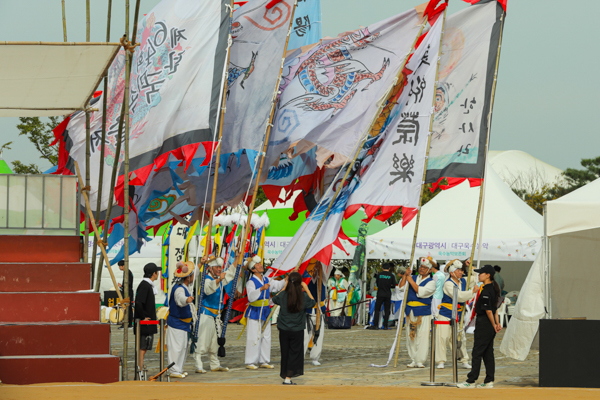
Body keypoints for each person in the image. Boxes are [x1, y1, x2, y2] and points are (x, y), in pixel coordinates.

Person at [458, 265, 502, 389]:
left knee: (477, 352)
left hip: (485, 323)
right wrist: (497, 323)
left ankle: (471, 380)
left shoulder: (487, 290)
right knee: (488, 353)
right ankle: (489, 380)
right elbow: (495, 309)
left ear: (488, 275)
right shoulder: (493, 288)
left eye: (481, 273)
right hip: (489, 323)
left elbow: (489, 310)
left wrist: (494, 325)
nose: (479, 275)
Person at [194, 255, 237, 374]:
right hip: (205, 313)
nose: (219, 269)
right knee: (202, 340)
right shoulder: (206, 278)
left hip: (216, 315)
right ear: (210, 268)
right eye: (217, 267)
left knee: (214, 342)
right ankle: (198, 364)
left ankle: (215, 364)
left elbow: (229, 273)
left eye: (220, 267)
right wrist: (219, 280)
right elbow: (208, 289)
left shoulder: (219, 278)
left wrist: (238, 258)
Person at [273, 272, 316, 385]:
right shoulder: (304, 296)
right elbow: (313, 302)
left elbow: (275, 298)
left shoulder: (283, 295)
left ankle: (286, 376)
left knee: (285, 352)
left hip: (284, 328)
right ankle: (288, 377)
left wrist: (285, 286)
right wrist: (306, 288)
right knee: (294, 353)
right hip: (297, 329)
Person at [243, 255, 286, 370]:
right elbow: (251, 297)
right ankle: (251, 361)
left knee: (266, 336)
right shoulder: (251, 282)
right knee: (253, 336)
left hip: (266, 310)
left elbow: (277, 286)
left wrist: (285, 280)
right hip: (255, 310)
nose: (261, 265)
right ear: (253, 269)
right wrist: (261, 289)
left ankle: (264, 360)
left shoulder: (267, 279)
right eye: (257, 264)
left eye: (260, 264)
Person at [435, 259, 478, 370]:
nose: (461, 272)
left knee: (460, 338)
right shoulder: (448, 283)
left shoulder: (464, 281)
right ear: (452, 272)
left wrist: (470, 267)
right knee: (442, 337)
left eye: (461, 270)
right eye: (458, 270)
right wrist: (472, 292)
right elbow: (458, 296)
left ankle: (464, 360)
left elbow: (477, 277)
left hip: (458, 313)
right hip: (445, 313)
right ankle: (441, 361)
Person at [400, 257, 435, 368]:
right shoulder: (412, 277)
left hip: (423, 311)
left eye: (425, 268)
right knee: (411, 336)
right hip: (410, 310)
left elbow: (421, 292)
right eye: (421, 266)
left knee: (423, 335)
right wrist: (406, 276)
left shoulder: (432, 282)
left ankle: (420, 360)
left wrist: (410, 281)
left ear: (429, 270)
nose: (422, 269)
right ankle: (413, 358)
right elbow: (401, 288)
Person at [167, 261, 195, 379]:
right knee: (176, 348)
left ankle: (179, 369)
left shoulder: (185, 286)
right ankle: (173, 370)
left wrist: (202, 263)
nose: (194, 277)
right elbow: (179, 298)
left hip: (184, 323)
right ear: (188, 277)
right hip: (176, 322)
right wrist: (186, 300)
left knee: (183, 347)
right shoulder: (179, 289)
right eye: (192, 275)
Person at [134, 262, 161, 372]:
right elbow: (138, 302)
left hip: (148, 321)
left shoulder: (147, 285)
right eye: (157, 272)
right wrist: (143, 317)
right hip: (145, 322)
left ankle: (140, 366)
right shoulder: (145, 285)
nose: (158, 274)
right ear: (153, 273)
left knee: (144, 346)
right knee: (142, 346)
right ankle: (139, 368)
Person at [303, 268, 327, 366]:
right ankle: (299, 357)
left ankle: (315, 357)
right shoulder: (305, 278)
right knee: (304, 335)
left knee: (319, 335)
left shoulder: (322, 278)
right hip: (307, 310)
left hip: (319, 310)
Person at [368, 263, 397, 330]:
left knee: (377, 310)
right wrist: (389, 286)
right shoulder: (391, 275)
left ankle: (375, 325)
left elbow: (377, 284)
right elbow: (394, 286)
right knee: (387, 310)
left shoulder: (379, 275)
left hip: (380, 294)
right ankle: (385, 326)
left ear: (382, 268)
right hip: (387, 294)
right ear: (389, 268)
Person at [117, 260, 134, 329]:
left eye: (119, 266)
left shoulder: (127, 272)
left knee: (127, 308)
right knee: (128, 308)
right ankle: (129, 323)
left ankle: (127, 323)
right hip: (127, 291)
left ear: (123, 266)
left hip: (128, 292)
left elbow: (128, 283)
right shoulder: (127, 272)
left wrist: (122, 287)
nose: (119, 268)